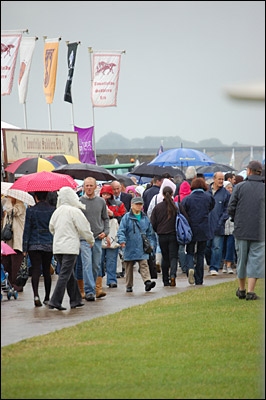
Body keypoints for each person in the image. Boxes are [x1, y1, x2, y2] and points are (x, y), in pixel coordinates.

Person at [48, 187, 95, 310]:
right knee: (64, 275)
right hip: (70, 248)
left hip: (58, 247)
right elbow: (84, 228)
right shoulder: (75, 211)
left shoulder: (57, 211)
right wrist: (91, 240)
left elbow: (51, 228)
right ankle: (55, 301)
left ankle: (75, 300)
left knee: (69, 274)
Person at [228, 161, 265, 300]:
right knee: (255, 260)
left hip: (241, 229)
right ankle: (251, 291)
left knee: (242, 259)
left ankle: (242, 289)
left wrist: (235, 219)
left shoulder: (239, 187)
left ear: (248, 171)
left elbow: (231, 207)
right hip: (260, 231)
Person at [150, 185, 189, 286]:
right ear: (172, 194)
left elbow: (153, 223)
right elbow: (185, 219)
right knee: (173, 257)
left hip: (162, 235)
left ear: (162, 194)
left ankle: (165, 279)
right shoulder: (177, 206)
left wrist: (158, 230)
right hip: (174, 235)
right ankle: (173, 275)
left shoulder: (157, 207)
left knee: (165, 257)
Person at [22, 191, 55, 307]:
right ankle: (47, 297)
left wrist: (24, 248)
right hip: (48, 243)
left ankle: (36, 295)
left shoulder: (30, 210)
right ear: (46, 196)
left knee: (35, 270)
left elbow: (27, 230)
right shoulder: (52, 210)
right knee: (47, 270)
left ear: (35, 197)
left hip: (34, 244)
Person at [117, 196, 156, 293]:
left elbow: (150, 233)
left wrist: (151, 244)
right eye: (136, 204)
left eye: (140, 204)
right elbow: (121, 230)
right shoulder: (126, 217)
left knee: (144, 264)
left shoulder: (145, 218)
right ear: (132, 205)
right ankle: (129, 285)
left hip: (142, 246)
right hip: (129, 245)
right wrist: (122, 240)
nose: (138, 206)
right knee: (129, 267)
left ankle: (147, 282)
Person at [80, 177, 110, 301]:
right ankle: (89, 291)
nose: (89, 188)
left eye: (91, 185)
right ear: (83, 187)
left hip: (98, 237)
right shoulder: (79, 201)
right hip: (84, 239)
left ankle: (93, 289)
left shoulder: (101, 201)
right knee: (86, 264)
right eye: (87, 185)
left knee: (96, 265)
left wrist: (106, 232)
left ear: (96, 186)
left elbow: (106, 218)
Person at [181, 178, 215, 285]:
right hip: (204, 229)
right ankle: (199, 279)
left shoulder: (187, 199)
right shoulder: (209, 197)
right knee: (201, 254)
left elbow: (183, 212)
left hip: (191, 229)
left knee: (190, 251)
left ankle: (190, 267)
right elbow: (211, 208)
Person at [99, 184, 126, 288]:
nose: (105, 196)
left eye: (107, 194)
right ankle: (99, 279)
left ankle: (111, 280)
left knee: (112, 259)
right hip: (100, 233)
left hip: (113, 233)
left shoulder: (118, 204)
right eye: (103, 194)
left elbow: (123, 218)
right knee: (99, 260)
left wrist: (113, 215)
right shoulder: (97, 204)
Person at [205, 171, 231, 275]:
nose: (221, 181)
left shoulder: (226, 194)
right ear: (214, 179)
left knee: (217, 247)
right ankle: (209, 263)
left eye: (222, 179)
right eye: (219, 179)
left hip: (218, 226)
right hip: (206, 225)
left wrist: (221, 221)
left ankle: (214, 267)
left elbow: (227, 209)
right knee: (206, 247)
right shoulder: (206, 191)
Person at [1, 196, 26, 293]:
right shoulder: (8, 206)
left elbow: (13, 212)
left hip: (17, 240)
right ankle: (8, 283)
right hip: (8, 239)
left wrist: (8, 203)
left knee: (16, 263)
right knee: (6, 262)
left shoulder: (20, 206)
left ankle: (16, 284)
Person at [174, 180, 192, 274]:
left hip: (180, 225)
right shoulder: (191, 197)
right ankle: (190, 264)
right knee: (191, 246)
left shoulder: (178, 197)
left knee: (181, 247)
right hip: (189, 224)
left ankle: (183, 266)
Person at [222, 181, 235, 274]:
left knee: (230, 245)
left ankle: (229, 264)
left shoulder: (235, 197)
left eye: (231, 187)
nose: (230, 189)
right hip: (222, 225)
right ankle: (224, 263)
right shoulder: (222, 198)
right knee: (223, 246)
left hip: (232, 225)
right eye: (228, 188)